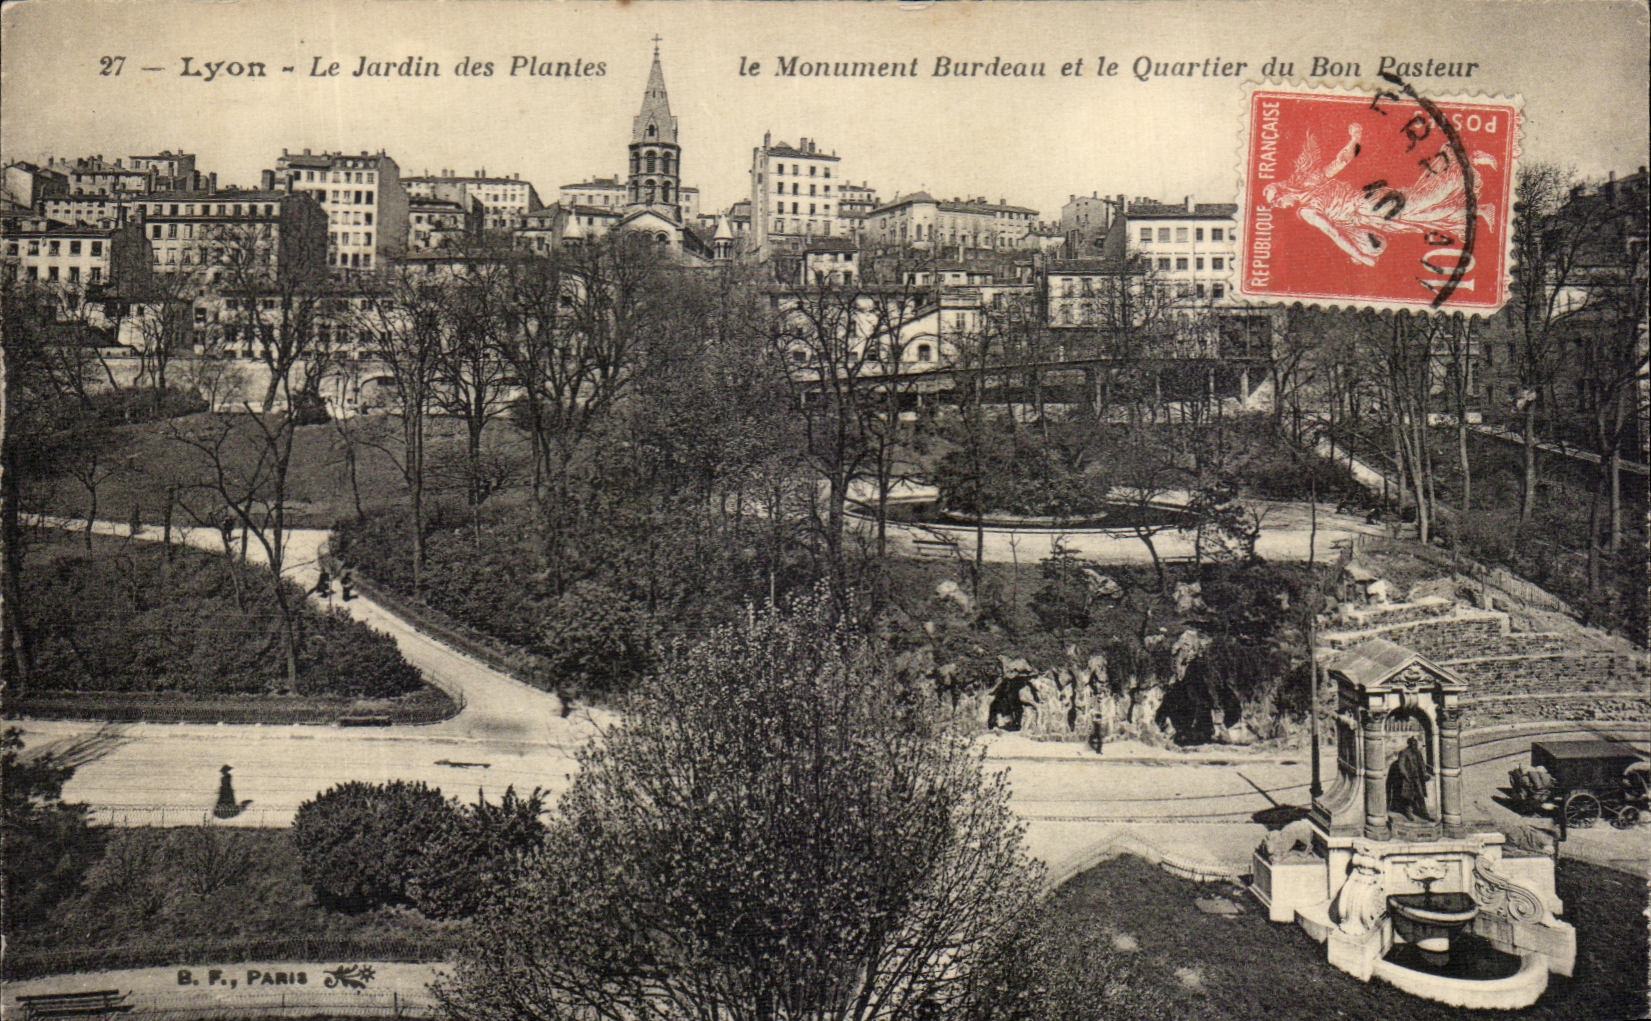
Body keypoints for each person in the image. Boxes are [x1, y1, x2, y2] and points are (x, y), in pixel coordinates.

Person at [1264, 123, 1498, 270]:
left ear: (1285, 190)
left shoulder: (1307, 205)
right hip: (1369, 216)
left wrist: (1355, 137)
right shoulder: (1309, 189)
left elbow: (1334, 233)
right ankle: (1478, 210)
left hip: (1370, 205)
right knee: (1421, 218)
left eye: (1277, 200)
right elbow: (1341, 162)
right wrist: (1354, 137)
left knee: (1423, 202)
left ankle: (1464, 156)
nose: (1279, 205)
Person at [1389, 735, 1434, 821]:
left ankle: (1425, 813)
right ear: (1410, 744)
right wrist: (1406, 776)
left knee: (1420, 795)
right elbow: (1401, 765)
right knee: (1408, 797)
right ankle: (1408, 813)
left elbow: (1421, 764)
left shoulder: (1418, 752)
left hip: (1417, 778)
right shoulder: (1404, 753)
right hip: (1408, 778)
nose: (1415, 745)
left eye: (1416, 744)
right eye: (1413, 744)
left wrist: (1424, 774)